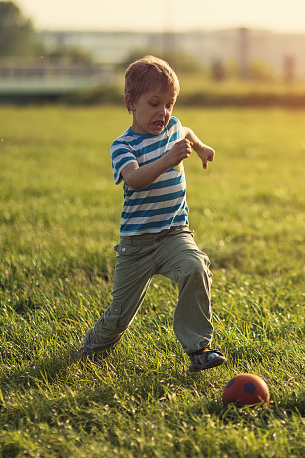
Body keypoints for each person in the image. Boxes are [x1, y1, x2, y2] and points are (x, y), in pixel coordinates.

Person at [78, 55, 226, 372]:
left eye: (169, 104)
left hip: (175, 234)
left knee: (195, 267)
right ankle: (92, 348)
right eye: (154, 103)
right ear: (131, 102)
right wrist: (167, 161)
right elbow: (134, 179)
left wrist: (201, 148)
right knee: (119, 315)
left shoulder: (172, 127)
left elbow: (185, 131)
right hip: (137, 245)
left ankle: (199, 349)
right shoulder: (123, 145)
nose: (164, 113)